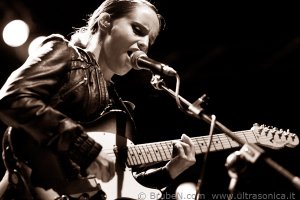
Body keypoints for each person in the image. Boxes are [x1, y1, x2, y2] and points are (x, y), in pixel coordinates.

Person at [0, 0, 196, 199]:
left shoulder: (120, 110)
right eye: (138, 30)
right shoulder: (65, 54)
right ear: (105, 22)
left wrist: (169, 171)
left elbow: (116, 188)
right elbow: (13, 97)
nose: (144, 43)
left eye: (150, 40)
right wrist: (84, 148)